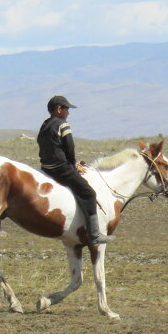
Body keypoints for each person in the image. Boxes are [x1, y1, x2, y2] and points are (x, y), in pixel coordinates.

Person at [37, 95, 114, 245]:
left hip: (46, 167)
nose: (68, 112)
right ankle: (94, 235)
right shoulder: (63, 124)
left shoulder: (45, 125)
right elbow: (69, 147)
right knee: (89, 193)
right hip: (60, 168)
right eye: (67, 109)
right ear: (59, 109)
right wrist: (74, 163)